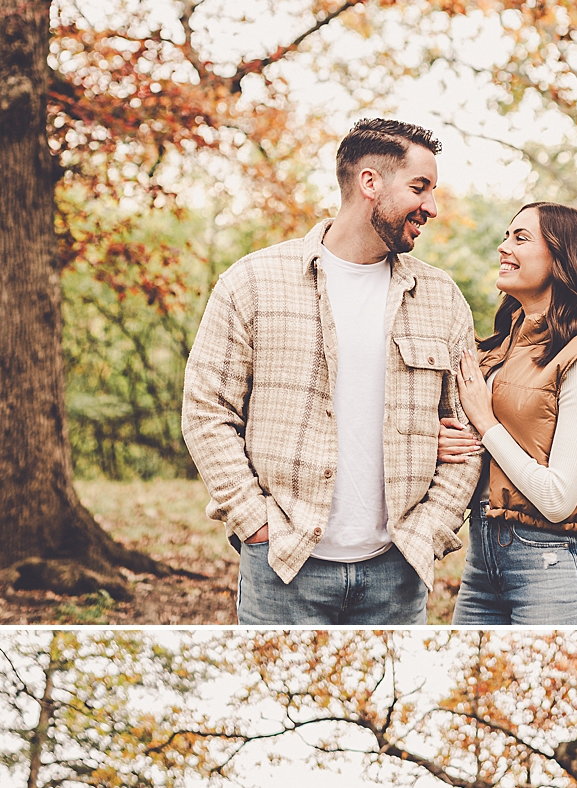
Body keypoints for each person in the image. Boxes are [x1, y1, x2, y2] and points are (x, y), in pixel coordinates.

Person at [180, 117, 481, 625]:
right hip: (283, 567)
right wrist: (255, 523)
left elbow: (469, 427)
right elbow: (207, 412)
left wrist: (430, 532)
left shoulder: (441, 298)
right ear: (370, 183)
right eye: (420, 187)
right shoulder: (253, 282)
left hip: (398, 574)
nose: (431, 207)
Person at [438, 203, 577, 625]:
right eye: (507, 236)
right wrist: (450, 440)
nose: (503, 247)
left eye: (520, 238)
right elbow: (489, 443)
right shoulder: (503, 348)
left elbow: (558, 499)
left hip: (554, 565)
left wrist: (486, 424)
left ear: (562, 258)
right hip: (483, 560)